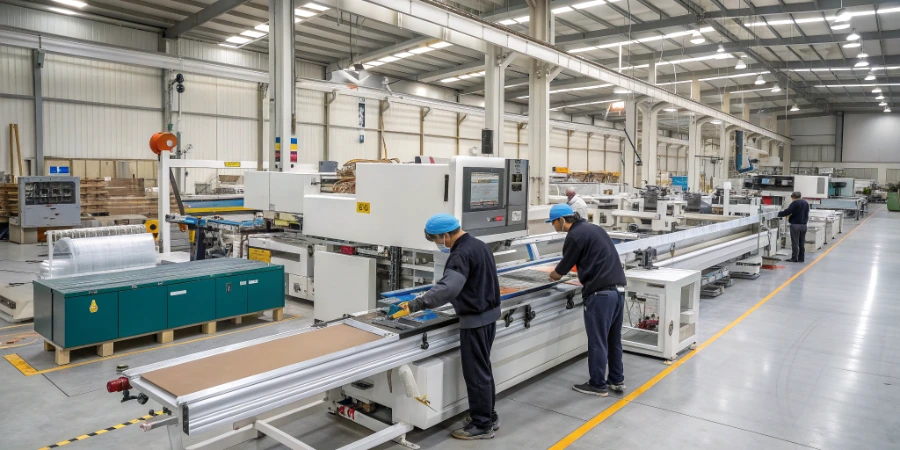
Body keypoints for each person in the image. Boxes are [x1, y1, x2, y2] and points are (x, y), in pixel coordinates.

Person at [395, 213, 500, 440]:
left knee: (476, 373)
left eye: (437, 240)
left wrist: (416, 304)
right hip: (489, 316)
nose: (438, 244)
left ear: (445, 235)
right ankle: (488, 416)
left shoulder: (460, 254)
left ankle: (482, 425)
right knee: (483, 369)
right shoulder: (479, 245)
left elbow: (448, 288)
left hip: (475, 320)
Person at [547, 204, 627, 397]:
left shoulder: (574, 235)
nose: (554, 227)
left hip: (600, 296)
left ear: (562, 221)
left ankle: (597, 384)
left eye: (553, 223)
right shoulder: (593, 228)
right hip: (618, 291)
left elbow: (561, 270)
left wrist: (551, 276)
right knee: (613, 339)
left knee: (597, 340)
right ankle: (616, 380)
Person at [778, 191, 810, 262]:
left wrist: (778, 214)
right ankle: (801, 258)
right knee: (802, 242)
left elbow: (788, 211)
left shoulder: (795, 203)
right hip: (804, 225)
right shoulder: (805, 203)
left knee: (795, 242)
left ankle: (794, 258)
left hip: (795, 225)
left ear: (793, 197)